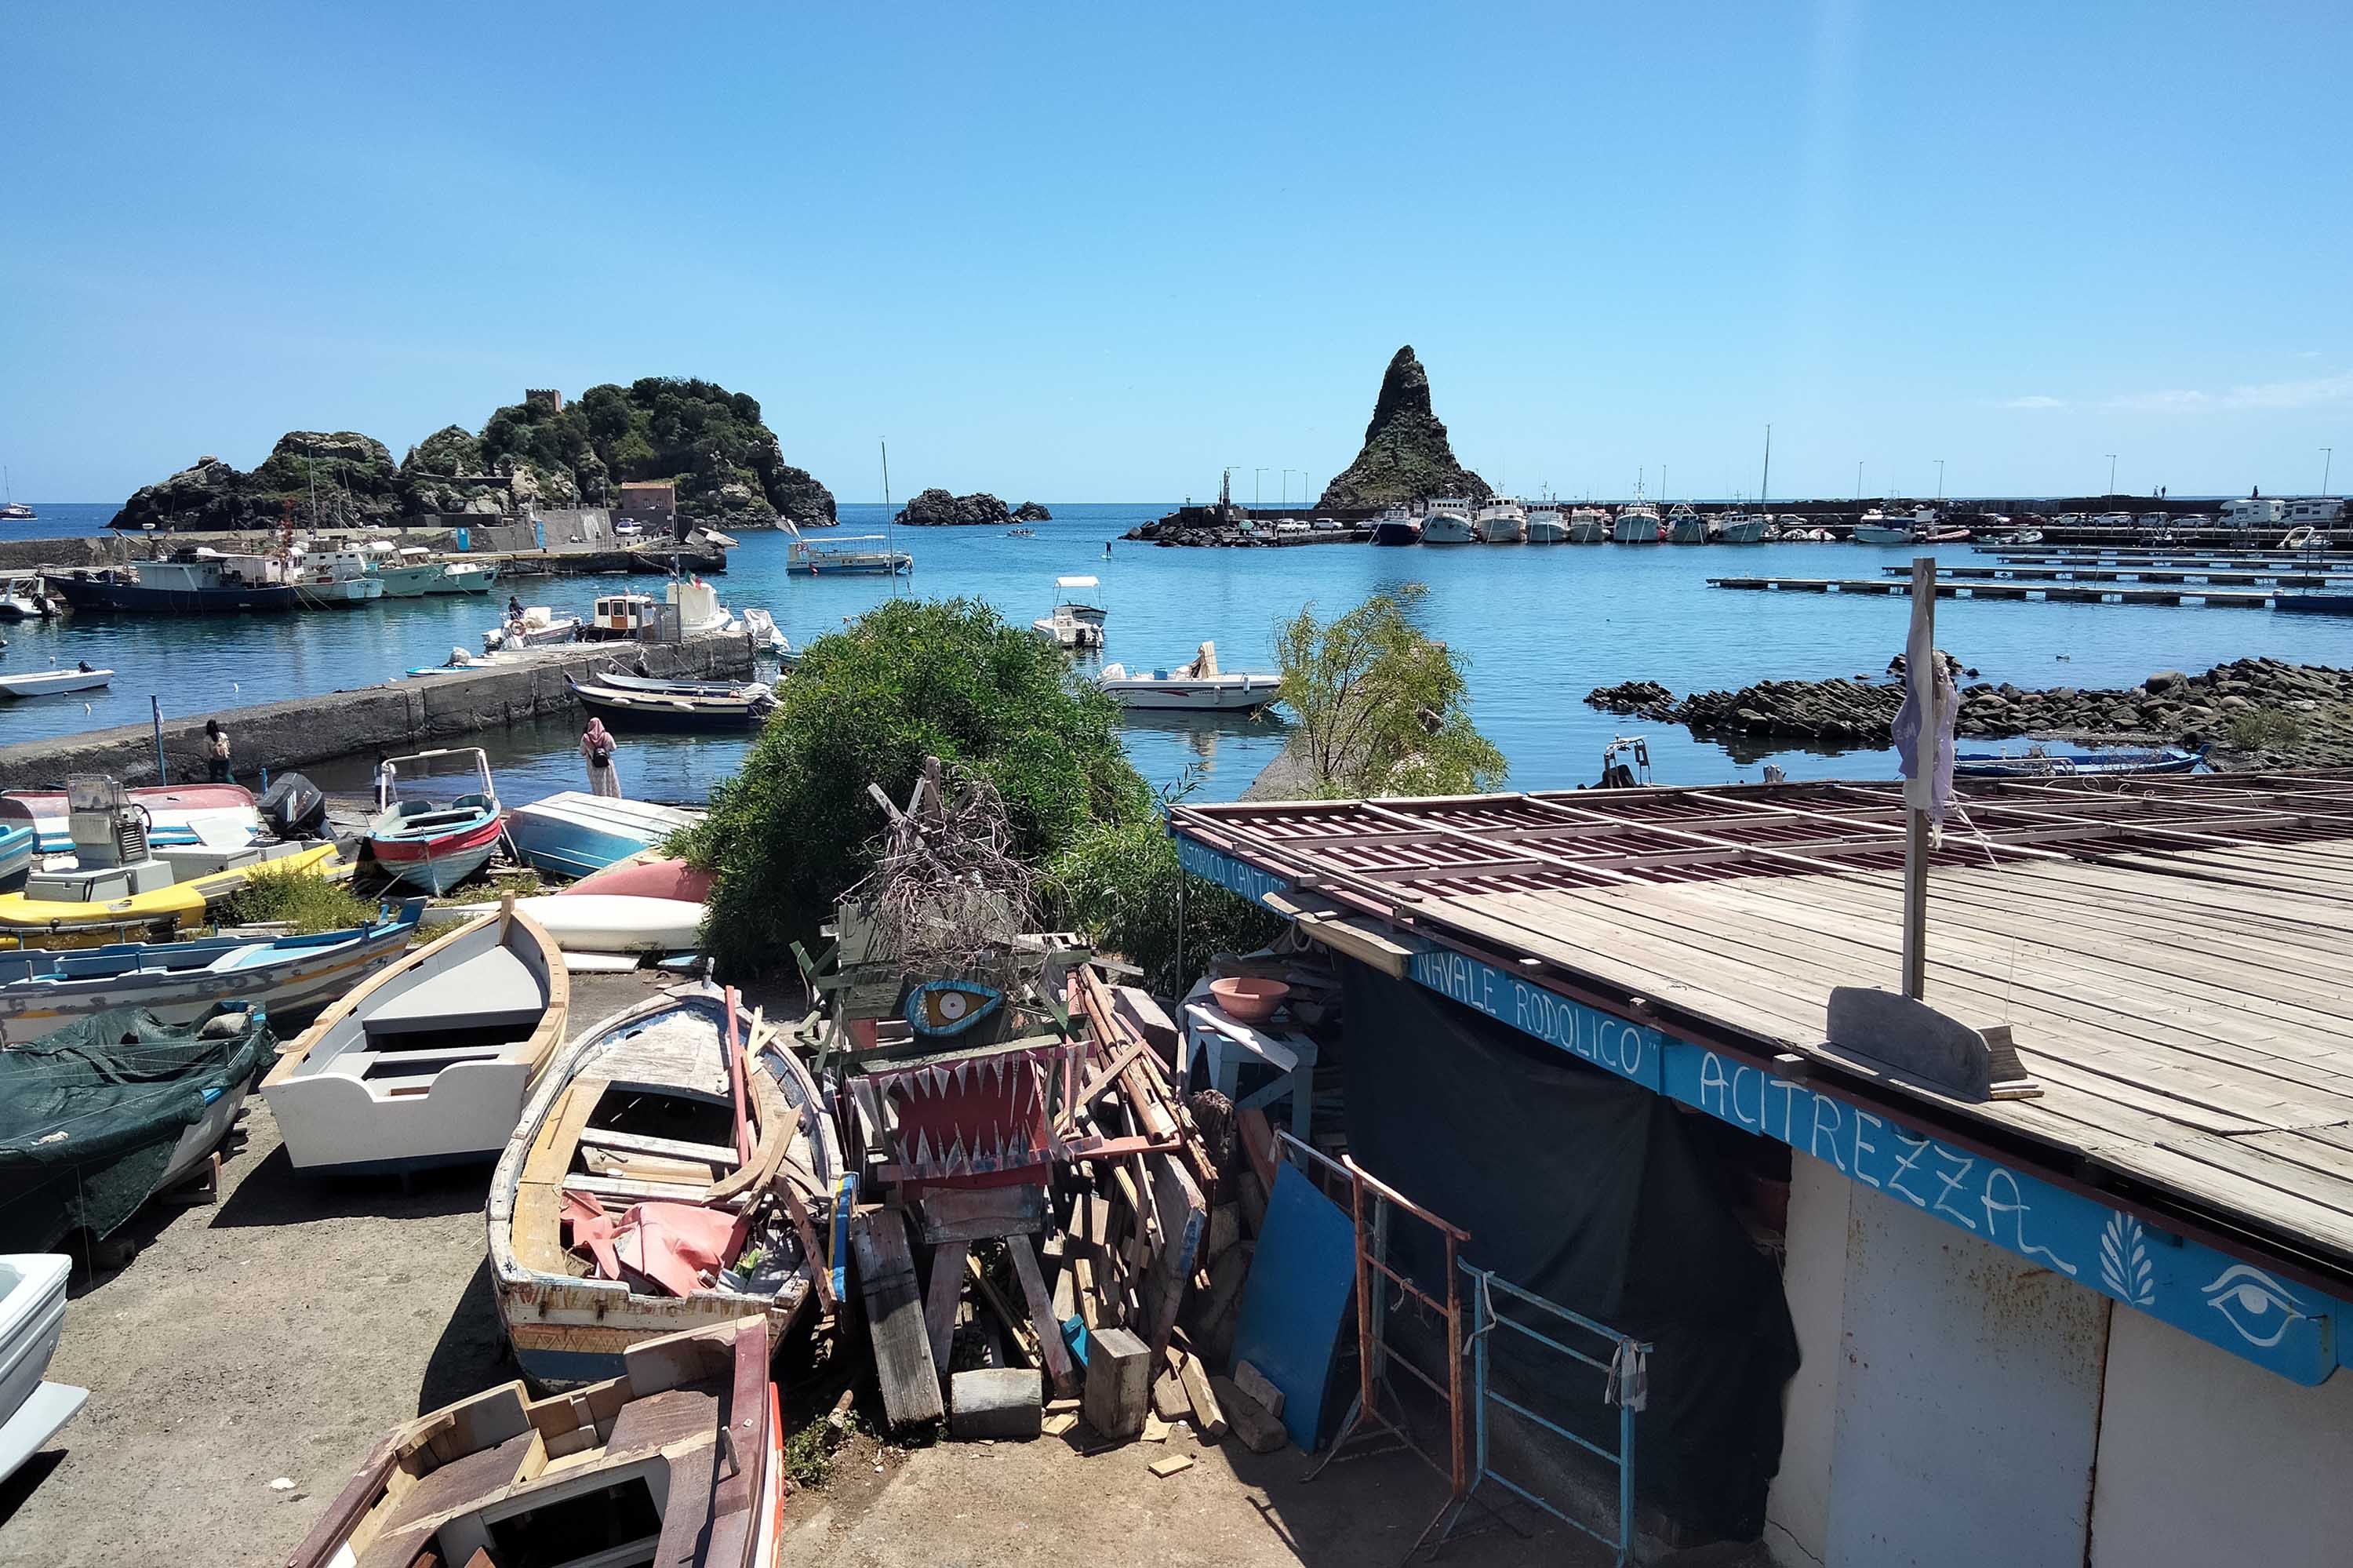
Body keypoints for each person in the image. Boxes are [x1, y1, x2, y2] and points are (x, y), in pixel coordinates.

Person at [580, 717, 620, 798]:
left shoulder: (585, 738)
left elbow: (582, 752)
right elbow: (613, 748)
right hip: (607, 764)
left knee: (597, 785)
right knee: (610, 783)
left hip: (592, 765)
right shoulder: (607, 736)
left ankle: (599, 799)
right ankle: (612, 798)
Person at [204, 719, 232, 784]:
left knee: (214, 775)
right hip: (225, 757)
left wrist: (212, 756)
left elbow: (206, 751)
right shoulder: (223, 735)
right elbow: (228, 746)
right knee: (227, 774)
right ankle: (232, 786)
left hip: (214, 759)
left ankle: (215, 788)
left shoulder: (207, 739)